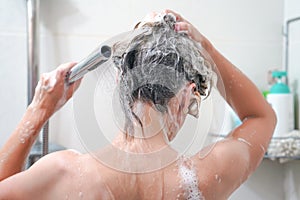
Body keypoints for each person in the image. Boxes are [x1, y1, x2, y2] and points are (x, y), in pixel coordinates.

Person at [0, 10, 276, 199]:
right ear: (186, 95)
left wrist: (38, 111)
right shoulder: (206, 177)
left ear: (122, 80)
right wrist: (206, 48)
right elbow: (261, 117)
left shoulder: (65, 174)